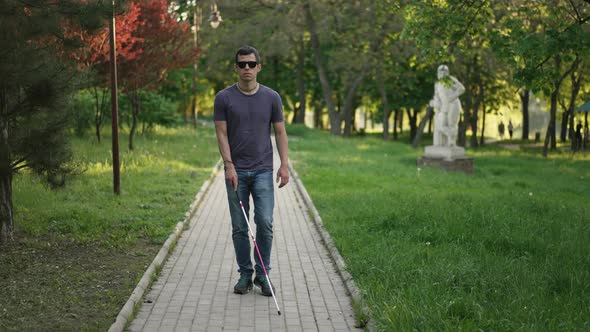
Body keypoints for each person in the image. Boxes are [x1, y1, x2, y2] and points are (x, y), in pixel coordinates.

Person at [214, 45, 289, 296]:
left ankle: (263, 274)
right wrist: (228, 165)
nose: (247, 68)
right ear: (236, 67)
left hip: (262, 171)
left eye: (251, 64)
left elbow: (280, 132)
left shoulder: (272, 97)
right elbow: (221, 133)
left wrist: (284, 165)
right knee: (239, 227)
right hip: (235, 172)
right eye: (242, 64)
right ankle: (245, 274)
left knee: (265, 223)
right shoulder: (223, 98)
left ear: (259, 67)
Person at [429, 64, 465, 147]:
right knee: (440, 125)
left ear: (447, 72)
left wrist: (452, 96)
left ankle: (451, 142)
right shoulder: (437, 84)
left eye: (444, 72)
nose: (442, 74)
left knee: (451, 124)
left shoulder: (450, 80)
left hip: (453, 104)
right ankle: (450, 136)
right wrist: (434, 102)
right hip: (443, 107)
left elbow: (462, 89)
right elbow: (437, 96)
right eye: (441, 72)